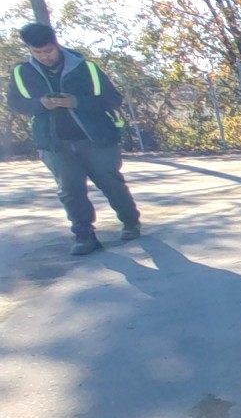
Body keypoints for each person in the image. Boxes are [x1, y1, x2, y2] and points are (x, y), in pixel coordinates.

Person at [6, 23, 141, 255]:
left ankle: (130, 222)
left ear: (56, 44)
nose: (44, 56)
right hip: (54, 143)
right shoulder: (22, 72)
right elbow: (15, 103)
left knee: (111, 183)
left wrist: (76, 102)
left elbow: (112, 99)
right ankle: (84, 236)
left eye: (48, 50)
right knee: (69, 190)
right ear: (29, 49)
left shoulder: (84, 67)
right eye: (37, 52)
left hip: (96, 139)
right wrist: (41, 104)